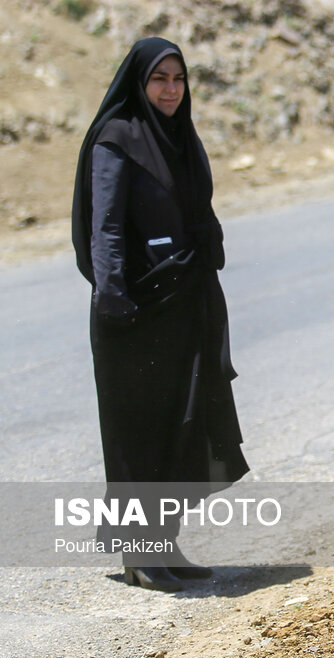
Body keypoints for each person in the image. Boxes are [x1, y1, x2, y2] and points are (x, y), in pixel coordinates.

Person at [71, 37, 249, 591]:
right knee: (138, 432)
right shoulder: (116, 138)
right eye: (159, 80)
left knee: (182, 425)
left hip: (183, 303)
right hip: (134, 309)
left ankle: (163, 542)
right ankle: (136, 554)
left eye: (178, 79)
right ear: (138, 84)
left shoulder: (179, 138)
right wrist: (113, 292)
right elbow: (105, 225)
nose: (171, 90)